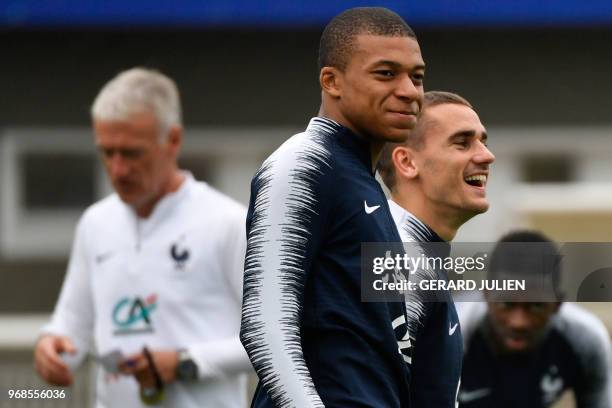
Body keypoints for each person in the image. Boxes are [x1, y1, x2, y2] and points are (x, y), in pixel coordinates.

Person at [239, 7, 425, 408]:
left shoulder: (366, 184)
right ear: (332, 81)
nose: (410, 91)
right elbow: (264, 325)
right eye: (386, 73)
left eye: (417, 76)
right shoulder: (303, 163)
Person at [34, 67, 252, 407]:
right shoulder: (95, 223)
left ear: (173, 140)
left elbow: (273, 342)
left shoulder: (228, 222)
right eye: (107, 152)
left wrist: (183, 363)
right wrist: (53, 347)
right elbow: (72, 326)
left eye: (132, 153)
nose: (118, 169)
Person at [378, 90, 496, 407]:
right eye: (462, 142)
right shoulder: (398, 260)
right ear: (407, 161)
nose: (487, 155)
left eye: (483, 141)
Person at [457, 230, 612, 407]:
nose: (519, 323)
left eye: (536, 306)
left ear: (557, 304)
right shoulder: (451, 332)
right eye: (506, 305)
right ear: (486, 296)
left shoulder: (586, 338)